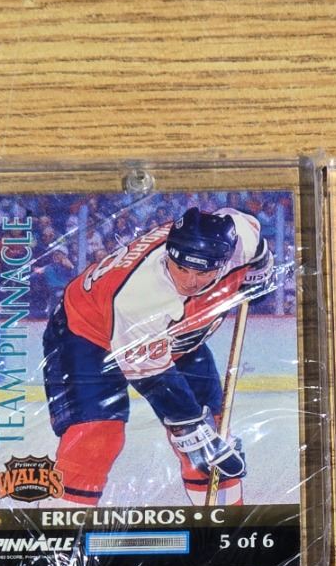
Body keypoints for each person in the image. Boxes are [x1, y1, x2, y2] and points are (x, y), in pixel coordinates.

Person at [44, 205, 275, 507]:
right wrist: (189, 429)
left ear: (224, 260)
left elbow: (258, 250)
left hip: (172, 332)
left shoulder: (242, 235)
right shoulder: (141, 297)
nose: (190, 281)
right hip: (87, 333)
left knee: (215, 438)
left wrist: (261, 270)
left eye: (202, 272)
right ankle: (60, 529)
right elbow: (154, 379)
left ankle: (227, 526)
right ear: (169, 254)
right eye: (182, 269)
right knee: (97, 436)